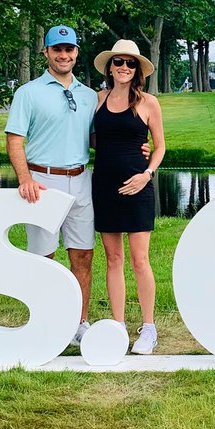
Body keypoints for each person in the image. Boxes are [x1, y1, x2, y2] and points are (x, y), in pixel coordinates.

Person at [5, 25, 98, 346]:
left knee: (83, 255)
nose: (64, 55)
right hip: (42, 181)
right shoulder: (28, 93)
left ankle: (79, 323)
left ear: (76, 53)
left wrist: (137, 147)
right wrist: (25, 178)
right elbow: (15, 140)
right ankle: (44, 322)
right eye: (57, 49)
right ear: (46, 52)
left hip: (81, 180)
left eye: (69, 49)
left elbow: (97, 139)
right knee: (44, 257)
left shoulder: (88, 95)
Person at [92, 39, 166, 355]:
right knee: (113, 259)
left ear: (138, 70)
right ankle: (118, 327)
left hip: (138, 186)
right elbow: (95, 139)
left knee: (139, 259)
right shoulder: (97, 99)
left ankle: (148, 329)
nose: (124, 67)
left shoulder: (149, 102)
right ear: (110, 66)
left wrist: (146, 173)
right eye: (119, 62)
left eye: (130, 63)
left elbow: (160, 146)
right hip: (105, 185)